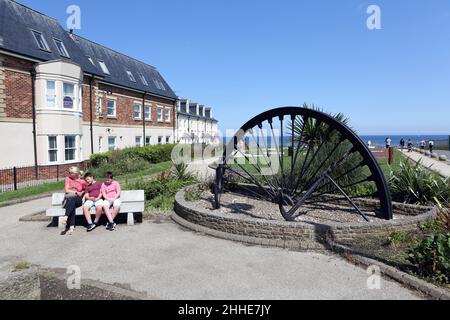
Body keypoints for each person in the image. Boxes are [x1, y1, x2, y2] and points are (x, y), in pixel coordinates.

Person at [60, 167, 85, 235]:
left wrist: (82, 192)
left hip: (78, 200)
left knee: (73, 200)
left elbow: (85, 190)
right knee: (72, 204)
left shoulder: (82, 181)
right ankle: (71, 227)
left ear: (76, 174)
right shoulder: (67, 179)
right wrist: (76, 192)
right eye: (69, 172)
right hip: (68, 200)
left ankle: (66, 217)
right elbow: (66, 190)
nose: (69, 174)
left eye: (71, 173)